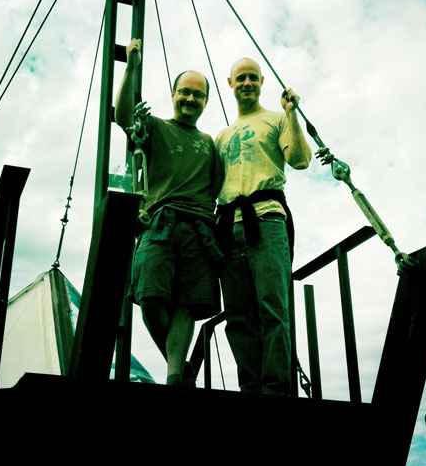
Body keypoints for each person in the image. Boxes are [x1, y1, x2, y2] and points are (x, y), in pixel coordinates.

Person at [114, 38, 222, 387]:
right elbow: (122, 115)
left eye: (198, 94)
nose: (191, 99)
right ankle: (182, 368)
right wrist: (132, 64)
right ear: (174, 94)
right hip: (159, 223)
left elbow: (217, 187)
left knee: (187, 304)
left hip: (199, 228)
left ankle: (175, 376)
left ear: (205, 101)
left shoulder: (209, 142)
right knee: (150, 298)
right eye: (185, 92)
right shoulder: (155, 126)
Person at [214, 57, 312, 396]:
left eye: (252, 78)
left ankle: (275, 388)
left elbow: (299, 160)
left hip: (267, 217)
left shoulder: (276, 119)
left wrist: (292, 114)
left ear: (261, 82)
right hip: (228, 224)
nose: (246, 83)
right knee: (238, 315)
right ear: (230, 83)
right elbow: (211, 184)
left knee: (272, 306)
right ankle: (250, 387)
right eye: (240, 78)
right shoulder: (222, 136)